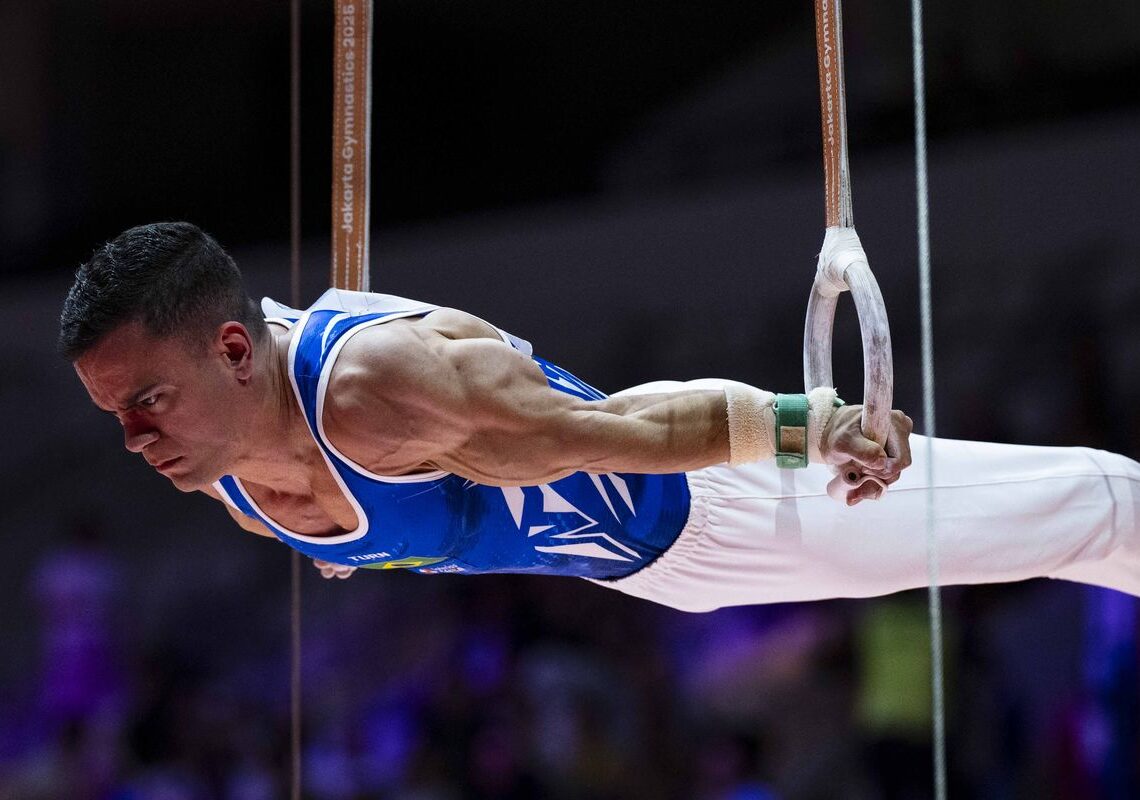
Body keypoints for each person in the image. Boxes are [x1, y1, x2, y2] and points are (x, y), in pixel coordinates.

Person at [59, 222, 1140, 612]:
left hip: (726, 499)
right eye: (116, 413)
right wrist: (357, 549)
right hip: (655, 574)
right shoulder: (236, 481)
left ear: (236, 349)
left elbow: (631, 428)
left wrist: (814, 424)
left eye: (146, 401)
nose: (135, 440)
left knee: (1104, 502)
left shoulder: (376, 393)